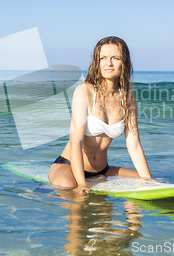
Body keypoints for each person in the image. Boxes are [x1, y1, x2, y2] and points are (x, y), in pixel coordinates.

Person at [48, 36, 152, 190]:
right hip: (69, 166)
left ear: (124, 62)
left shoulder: (127, 98)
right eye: (103, 58)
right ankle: (39, 192)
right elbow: (76, 141)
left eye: (115, 58)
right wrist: (82, 185)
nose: (108, 63)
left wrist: (148, 180)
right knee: (68, 186)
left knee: (142, 178)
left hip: (102, 170)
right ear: (97, 62)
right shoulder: (85, 92)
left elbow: (134, 144)